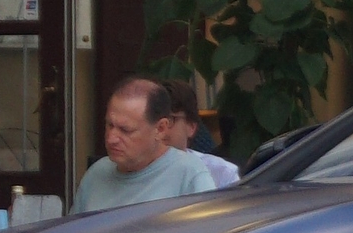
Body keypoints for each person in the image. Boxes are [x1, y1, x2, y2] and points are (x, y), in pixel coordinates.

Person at [73, 75, 235, 213]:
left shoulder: (189, 175)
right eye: (109, 125)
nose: (111, 138)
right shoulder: (96, 174)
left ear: (160, 129)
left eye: (125, 130)